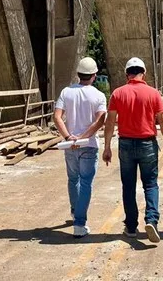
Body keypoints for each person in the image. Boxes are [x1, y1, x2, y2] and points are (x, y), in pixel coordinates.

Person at [102, 57, 163, 243]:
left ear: (127, 74)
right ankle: (151, 221)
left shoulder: (117, 94)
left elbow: (110, 122)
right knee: (150, 184)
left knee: (128, 185)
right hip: (147, 144)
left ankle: (131, 226)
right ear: (144, 73)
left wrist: (107, 146)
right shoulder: (153, 93)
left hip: (125, 144)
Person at [53, 57, 107, 238]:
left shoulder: (66, 92)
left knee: (72, 179)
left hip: (70, 146)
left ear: (78, 74)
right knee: (85, 183)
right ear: (94, 75)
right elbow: (100, 121)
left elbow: (57, 117)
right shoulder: (99, 96)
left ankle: (75, 210)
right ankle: (79, 223)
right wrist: (83, 138)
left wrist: (69, 137)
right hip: (89, 145)